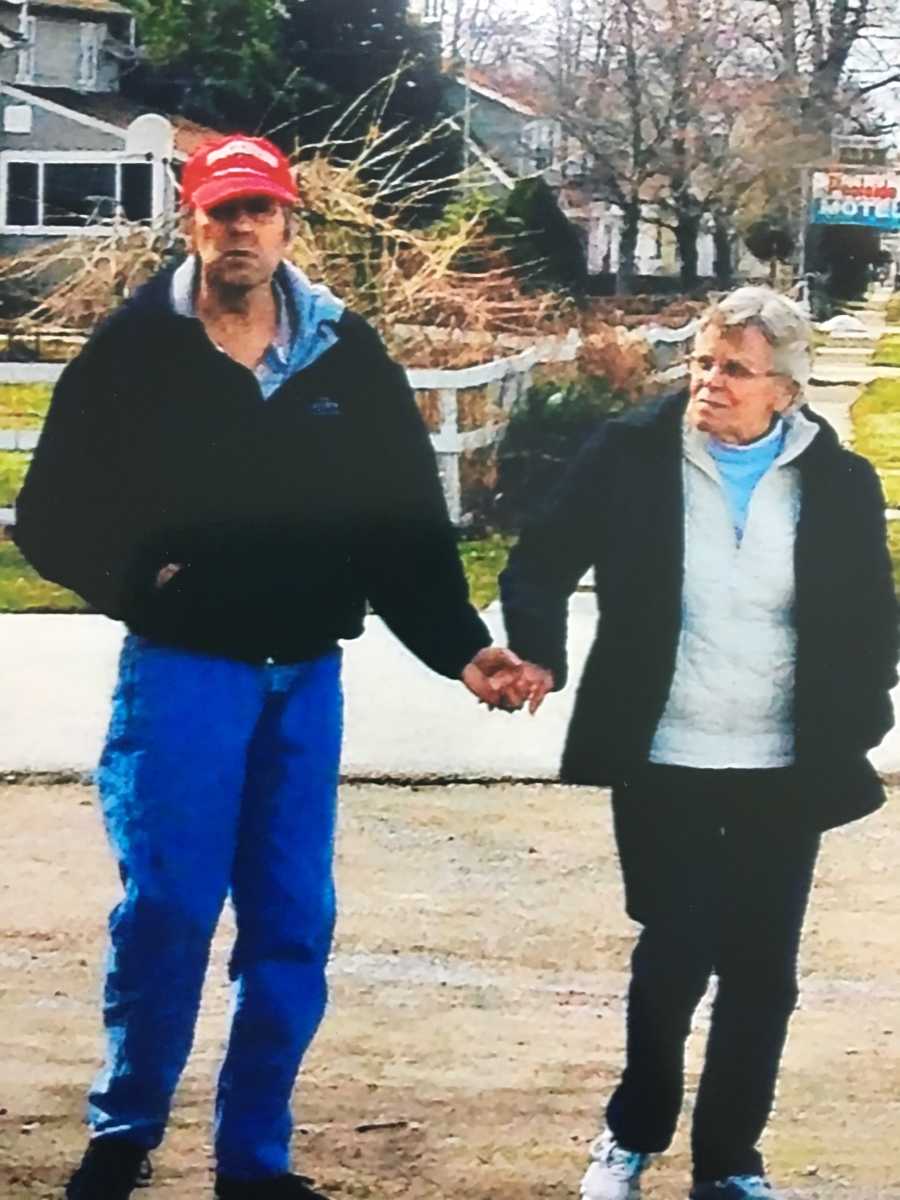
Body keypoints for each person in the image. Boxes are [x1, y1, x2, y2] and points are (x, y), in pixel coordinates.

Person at [13, 134, 521, 1200]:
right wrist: (142, 583)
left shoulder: (345, 355)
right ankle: (124, 1131)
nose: (239, 231)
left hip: (307, 682)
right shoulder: (134, 353)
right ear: (190, 220)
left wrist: (463, 648)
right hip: (186, 673)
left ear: (291, 222)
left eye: (259, 212)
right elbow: (51, 514)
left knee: (292, 923)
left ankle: (255, 1159)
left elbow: (405, 530)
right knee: (169, 909)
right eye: (219, 211)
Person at [498, 286, 898, 1200]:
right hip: (665, 751)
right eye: (705, 364)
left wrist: (861, 716)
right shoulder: (634, 453)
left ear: (785, 392)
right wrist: (539, 656)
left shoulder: (836, 481)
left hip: (782, 764)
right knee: (674, 949)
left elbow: (873, 617)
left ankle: (729, 1162)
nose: (711, 384)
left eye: (736, 371)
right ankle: (631, 1136)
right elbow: (543, 557)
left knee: (764, 972)